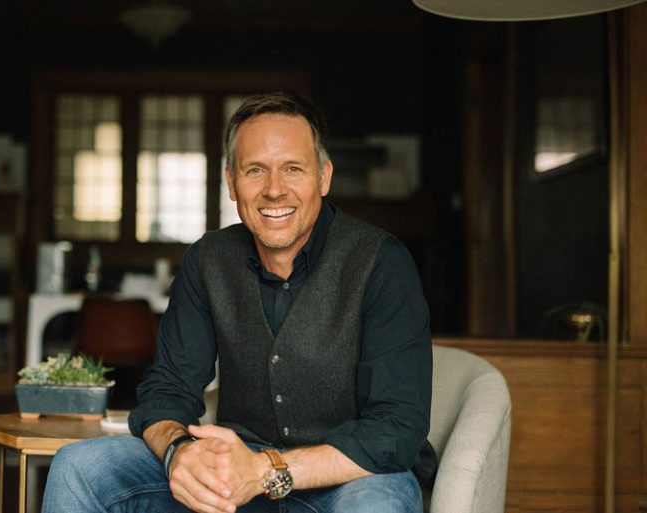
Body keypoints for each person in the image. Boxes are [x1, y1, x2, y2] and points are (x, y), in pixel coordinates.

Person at [42, 92, 434, 513]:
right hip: (233, 472)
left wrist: (266, 469)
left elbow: (396, 429)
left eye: (293, 169)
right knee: (78, 466)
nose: (274, 190)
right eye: (255, 171)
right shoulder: (207, 260)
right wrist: (178, 452)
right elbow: (167, 390)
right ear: (231, 182)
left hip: (350, 477)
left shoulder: (381, 261)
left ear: (324, 177)